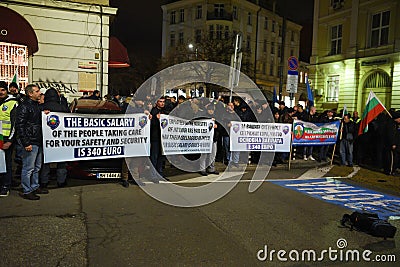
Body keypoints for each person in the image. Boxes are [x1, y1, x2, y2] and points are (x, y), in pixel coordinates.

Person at [15, 84, 48, 200]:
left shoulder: (36, 106)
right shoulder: (24, 107)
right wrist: (26, 143)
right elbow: (20, 125)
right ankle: (27, 190)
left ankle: (34, 186)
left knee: (37, 167)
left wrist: (45, 114)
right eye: (37, 91)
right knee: (28, 168)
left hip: (37, 141)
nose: (40, 93)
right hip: (30, 142)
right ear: (30, 94)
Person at [39, 88, 69, 188]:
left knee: (45, 161)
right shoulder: (63, 108)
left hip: (46, 140)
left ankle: (44, 181)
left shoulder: (41, 108)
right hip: (60, 140)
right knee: (61, 161)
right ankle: (61, 181)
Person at [0, 81, 18, 197]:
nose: (0, 92)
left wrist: (10, 141)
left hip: (6, 138)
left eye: (2, 90)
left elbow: (15, 124)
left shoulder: (12, 103)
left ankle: (6, 185)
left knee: (6, 163)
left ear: (6, 91)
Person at [199, 103, 220, 176]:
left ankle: (211, 168)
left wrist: (217, 125)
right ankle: (202, 169)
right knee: (204, 155)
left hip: (214, 138)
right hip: (205, 139)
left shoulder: (216, 117)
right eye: (209, 110)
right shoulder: (203, 117)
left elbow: (220, 127)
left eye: (212, 110)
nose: (211, 111)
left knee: (212, 155)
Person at [149, 96, 167, 181]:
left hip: (163, 138)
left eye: (163, 101)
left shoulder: (164, 111)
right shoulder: (153, 111)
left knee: (161, 156)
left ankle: (159, 174)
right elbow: (150, 125)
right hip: (155, 137)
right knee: (154, 157)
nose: (162, 103)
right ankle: (153, 175)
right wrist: (156, 119)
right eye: (160, 101)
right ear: (157, 103)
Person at [383, 111, 400, 175]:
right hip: (392, 144)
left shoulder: (395, 124)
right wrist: (393, 143)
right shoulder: (391, 125)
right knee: (392, 159)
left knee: (395, 158)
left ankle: (393, 169)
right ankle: (390, 170)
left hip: (396, 144)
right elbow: (391, 135)